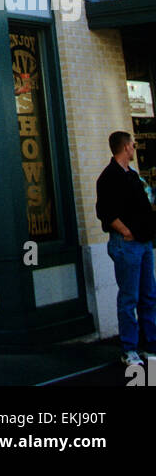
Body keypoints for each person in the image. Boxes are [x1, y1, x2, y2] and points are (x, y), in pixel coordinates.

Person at [95, 130, 156, 366]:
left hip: (143, 243)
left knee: (148, 295)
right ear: (125, 147)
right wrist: (125, 231)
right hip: (127, 245)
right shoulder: (109, 177)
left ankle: (150, 343)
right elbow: (105, 212)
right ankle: (129, 348)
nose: (134, 148)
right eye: (132, 144)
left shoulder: (132, 175)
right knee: (129, 297)